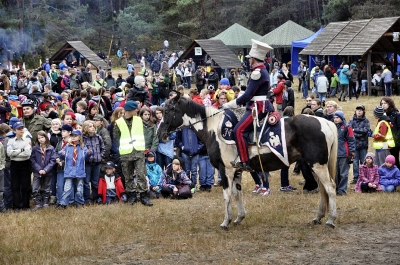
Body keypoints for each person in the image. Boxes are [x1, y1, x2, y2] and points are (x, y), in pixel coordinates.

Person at [222, 39, 274, 171]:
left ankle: (244, 161)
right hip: (257, 104)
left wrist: (229, 104)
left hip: (257, 107)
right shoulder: (261, 70)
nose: (249, 60)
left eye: (250, 58)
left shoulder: (257, 73)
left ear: (253, 59)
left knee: (238, 130)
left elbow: (248, 96)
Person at [113, 101, 153, 206]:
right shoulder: (119, 122)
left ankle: (144, 196)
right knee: (128, 176)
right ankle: (131, 196)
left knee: (141, 174)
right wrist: (122, 147)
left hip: (138, 151)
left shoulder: (139, 120)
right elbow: (116, 138)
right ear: (129, 110)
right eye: (135, 109)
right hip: (126, 153)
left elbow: (144, 133)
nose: (137, 110)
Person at [56, 130, 90, 209]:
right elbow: (62, 154)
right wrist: (61, 154)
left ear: (79, 137)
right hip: (69, 170)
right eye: (72, 136)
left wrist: (88, 153)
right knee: (67, 188)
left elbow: (85, 158)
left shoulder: (82, 147)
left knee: (79, 188)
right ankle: (63, 203)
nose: (73, 138)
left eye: (75, 136)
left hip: (79, 170)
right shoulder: (68, 146)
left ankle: (79, 202)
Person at [7, 122, 32, 212]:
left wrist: (16, 152)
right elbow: (9, 153)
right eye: (19, 129)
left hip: (25, 164)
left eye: (22, 128)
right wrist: (21, 150)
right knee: (15, 186)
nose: (21, 130)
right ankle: (16, 206)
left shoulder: (27, 140)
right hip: (15, 164)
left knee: (26, 185)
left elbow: (28, 153)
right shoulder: (11, 141)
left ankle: (26, 205)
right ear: (14, 131)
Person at [30, 131, 56, 211]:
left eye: (42, 137)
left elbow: (53, 160)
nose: (41, 139)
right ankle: (38, 203)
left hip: (47, 172)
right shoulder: (35, 148)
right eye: (39, 138)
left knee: (47, 188)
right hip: (37, 172)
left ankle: (45, 202)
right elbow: (32, 160)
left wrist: (45, 169)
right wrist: (39, 169)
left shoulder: (51, 148)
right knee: (35, 188)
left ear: (46, 137)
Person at [82, 120, 105, 204]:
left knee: (95, 181)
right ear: (85, 128)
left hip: (97, 163)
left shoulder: (98, 137)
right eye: (90, 126)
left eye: (93, 126)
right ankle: (87, 198)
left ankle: (96, 197)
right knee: (86, 182)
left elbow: (103, 148)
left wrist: (101, 156)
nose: (92, 128)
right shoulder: (83, 138)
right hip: (87, 163)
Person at [333, 110, 355, 195]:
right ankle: (336, 189)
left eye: (337, 117)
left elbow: (351, 140)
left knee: (343, 174)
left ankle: (342, 190)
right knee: (335, 173)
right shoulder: (332, 126)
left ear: (342, 118)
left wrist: (352, 152)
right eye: (334, 117)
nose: (335, 119)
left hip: (344, 154)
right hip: (334, 154)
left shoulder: (347, 127)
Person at [348, 105, 370, 184]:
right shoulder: (351, 120)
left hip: (363, 145)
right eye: (357, 110)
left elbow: (366, 131)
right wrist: (359, 134)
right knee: (355, 162)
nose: (359, 111)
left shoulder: (366, 121)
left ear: (363, 111)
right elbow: (350, 132)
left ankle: (363, 177)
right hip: (354, 145)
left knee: (364, 162)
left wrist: (355, 130)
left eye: (361, 110)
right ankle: (356, 177)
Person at [380, 97, 400, 168]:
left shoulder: (396, 114)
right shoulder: (382, 115)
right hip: (385, 141)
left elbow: (399, 128)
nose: (383, 105)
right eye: (382, 103)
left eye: (385, 103)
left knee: (394, 160)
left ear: (390, 104)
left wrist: (395, 139)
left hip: (395, 141)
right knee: (387, 159)